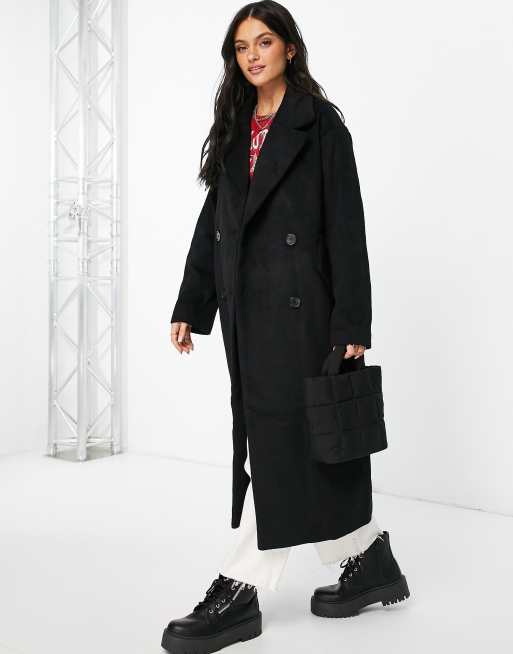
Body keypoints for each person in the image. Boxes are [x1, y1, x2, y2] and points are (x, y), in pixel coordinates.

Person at [163, 2, 410, 651]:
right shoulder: (233, 126)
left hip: (305, 316)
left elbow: (345, 225)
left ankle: (237, 591)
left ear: (289, 49)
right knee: (302, 446)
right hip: (249, 314)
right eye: (241, 46)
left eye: (264, 42)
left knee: (280, 448)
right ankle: (369, 562)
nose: (252, 55)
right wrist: (191, 304)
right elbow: (215, 225)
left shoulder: (319, 124)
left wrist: (351, 320)